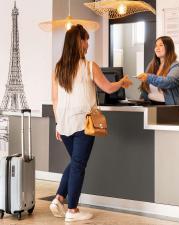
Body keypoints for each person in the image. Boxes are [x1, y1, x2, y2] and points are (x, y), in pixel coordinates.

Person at [50, 24, 132, 222]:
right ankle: (72, 210)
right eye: (85, 39)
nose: (88, 43)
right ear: (78, 42)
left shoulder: (58, 69)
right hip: (84, 124)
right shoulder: (89, 66)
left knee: (76, 162)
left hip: (65, 124)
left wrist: (58, 125)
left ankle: (59, 198)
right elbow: (109, 88)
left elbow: (55, 100)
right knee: (78, 165)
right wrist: (121, 82)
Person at [137, 36, 179, 121]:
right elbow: (145, 90)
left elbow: (169, 82)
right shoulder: (151, 66)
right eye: (156, 46)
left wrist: (149, 77)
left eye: (161, 45)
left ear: (169, 47)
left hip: (170, 113)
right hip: (151, 112)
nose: (157, 48)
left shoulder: (177, 67)